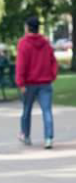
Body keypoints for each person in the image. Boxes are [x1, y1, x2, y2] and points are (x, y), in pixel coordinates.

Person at [16, 16, 58, 148]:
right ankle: (48, 138)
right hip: (45, 83)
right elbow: (53, 61)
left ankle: (25, 135)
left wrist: (20, 82)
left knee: (26, 110)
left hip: (29, 83)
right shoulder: (46, 43)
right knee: (47, 111)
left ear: (28, 27)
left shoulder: (23, 43)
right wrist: (52, 75)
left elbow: (21, 64)